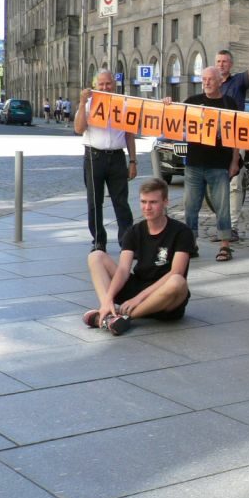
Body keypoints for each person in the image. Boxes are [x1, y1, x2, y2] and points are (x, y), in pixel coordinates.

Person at [82, 178, 195, 335]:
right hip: (137, 286)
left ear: (165, 202)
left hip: (165, 297)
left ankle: (124, 317)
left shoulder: (182, 232)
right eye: (143, 202)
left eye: (153, 202)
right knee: (96, 256)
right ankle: (106, 309)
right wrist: (108, 298)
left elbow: (176, 272)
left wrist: (139, 299)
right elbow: (122, 269)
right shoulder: (134, 231)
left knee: (177, 281)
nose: (147, 207)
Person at [164, 67, 242, 261]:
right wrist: (167, 105)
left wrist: (234, 161)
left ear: (219, 82)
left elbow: (235, 136)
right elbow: (173, 119)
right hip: (194, 163)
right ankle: (191, 244)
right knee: (191, 206)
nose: (206, 82)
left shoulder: (228, 103)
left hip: (219, 164)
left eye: (210, 79)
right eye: (204, 79)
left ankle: (225, 245)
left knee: (222, 206)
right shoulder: (192, 102)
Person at [75, 70, 138, 252]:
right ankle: (98, 241)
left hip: (117, 156)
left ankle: (126, 242)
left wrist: (132, 161)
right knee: (94, 202)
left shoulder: (123, 104)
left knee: (121, 202)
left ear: (114, 84)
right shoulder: (88, 104)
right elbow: (79, 128)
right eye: (101, 84)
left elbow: (129, 134)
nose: (105, 87)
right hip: (94, 156)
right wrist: (81, 103)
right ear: (95, 85)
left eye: (108, 83)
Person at [216, 26, 249, 240]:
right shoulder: (209, 83)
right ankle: (222, 223)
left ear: (231, 64)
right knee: (217, 183)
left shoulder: (238, 81)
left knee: (235, 183)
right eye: (218, 62)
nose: (221, 65)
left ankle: (232, 226)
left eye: (225, 62)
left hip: (236, 138)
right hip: (214, 140)